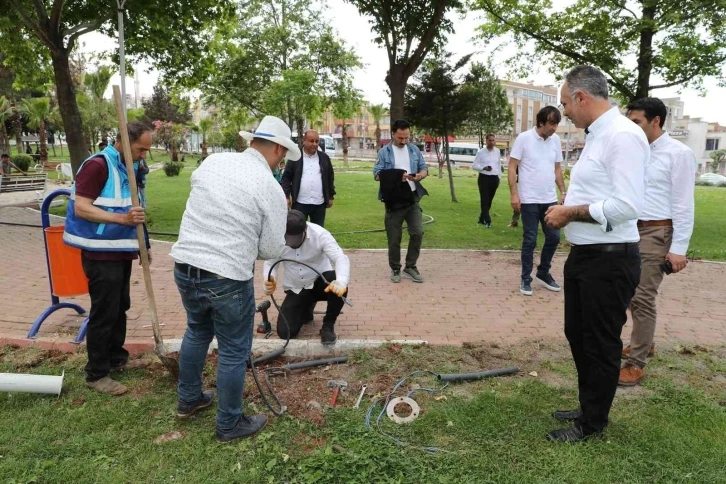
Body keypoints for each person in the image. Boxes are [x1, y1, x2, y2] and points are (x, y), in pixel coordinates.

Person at [170, 115, 296, 443]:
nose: (281, 162)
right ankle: (229, 423)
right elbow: (270, 247)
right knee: (233, 350)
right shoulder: (270, 186)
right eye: (282, 156)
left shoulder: (214, 161)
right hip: (225, 275)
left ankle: (189, 399)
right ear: (278, 149)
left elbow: (200, 190)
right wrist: (275, 214)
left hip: (186, 264)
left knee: (196, 331)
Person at [543, 65, 648, 443]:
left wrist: (569, 212)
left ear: (582, 98)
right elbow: (601, 192)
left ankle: (592, 424)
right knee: (578, 333)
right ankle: (590, 404)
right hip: (586, 256)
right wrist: (568, 205)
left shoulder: (622, 136)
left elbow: (627, 204)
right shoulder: (600, 136)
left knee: (600, 341)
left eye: (566, 103)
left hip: (610, 259)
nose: (564, 111)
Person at [62, 122, 154, 396]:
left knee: (120, 305)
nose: (143, 155)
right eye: (140, 149)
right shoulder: (97, 166)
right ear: (123, 141)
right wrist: (120, 219)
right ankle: (97, 373)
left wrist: (143, 244)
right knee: (104, 311)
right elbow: (82, 208)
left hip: (120, 249)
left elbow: (135, 210)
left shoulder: (130, 167)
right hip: (99, 252)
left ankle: (116, 357)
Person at [619, 97, 696, 386]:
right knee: (628, 290)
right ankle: (645, 342)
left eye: (637, 121)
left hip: (657, 232)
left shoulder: (679, 154)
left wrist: (679, 249)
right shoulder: (635, 151)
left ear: (656, 121)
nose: (632, 127)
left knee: (643, 296)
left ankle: (636, 362)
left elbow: (684, 204)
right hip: (630, 230)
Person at [263, 210, 350, 345]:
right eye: (288, 238)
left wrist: (341, 282)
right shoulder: (276, 238)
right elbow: (270, 262)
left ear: (305, 230)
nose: (291, 242)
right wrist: (269, 278)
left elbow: (340, 258)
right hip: (296, 288)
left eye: (296, 238)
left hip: (319, 283)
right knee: (286, 332)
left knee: (335, 280)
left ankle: (328, 325)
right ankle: (306, 308)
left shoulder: (320, 234)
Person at [508, 106, 566, 296]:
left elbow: (557, 168)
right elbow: (512, 167)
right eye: (551, 123)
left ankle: (543, 271)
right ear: (541, 122)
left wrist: (563, 190)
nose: (555, 128)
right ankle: (526, 278)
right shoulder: (524, 138)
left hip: (549, 199)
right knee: (530, 239)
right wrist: (514, 194)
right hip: (529, 199)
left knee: (554, 237)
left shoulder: (555, 140)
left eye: (557, 123)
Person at [373, 119, 428, 283]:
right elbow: (377, 175)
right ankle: (395, 268)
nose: (404, 141)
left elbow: (424, 168)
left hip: (412, 198)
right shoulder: (384, 152)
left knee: (417, 232)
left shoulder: (413, 150)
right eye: (400, 138)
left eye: (406, 137)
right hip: (393, 200)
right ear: (393, 134)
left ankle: (410, 266)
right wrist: (397, 176)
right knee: (394, 238)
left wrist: (420, 175)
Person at [281, 130, 335, 227]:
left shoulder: (324, 158)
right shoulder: (295, 157)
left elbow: (330, 177)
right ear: (304, 141)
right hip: (300, 203)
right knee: (297, 230)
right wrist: (286, 196)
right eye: (311, 141)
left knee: (318, 232)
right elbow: (286, 178)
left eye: (317, 141)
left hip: (319, 203)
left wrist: (331, 196)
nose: (314, 144)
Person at [473, 133, 501, 227]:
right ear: (486, 141)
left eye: (493, 140)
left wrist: (499, 177)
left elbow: (498, 165)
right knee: (484, 199)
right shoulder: (481, 152)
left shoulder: (497, 151)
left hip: (494, 178)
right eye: (490, 140)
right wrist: (483, 168)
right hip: (484, 178)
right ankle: (487, 220)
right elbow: (474, 166)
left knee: (489, 200)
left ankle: (482, 218)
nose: (492, 142)